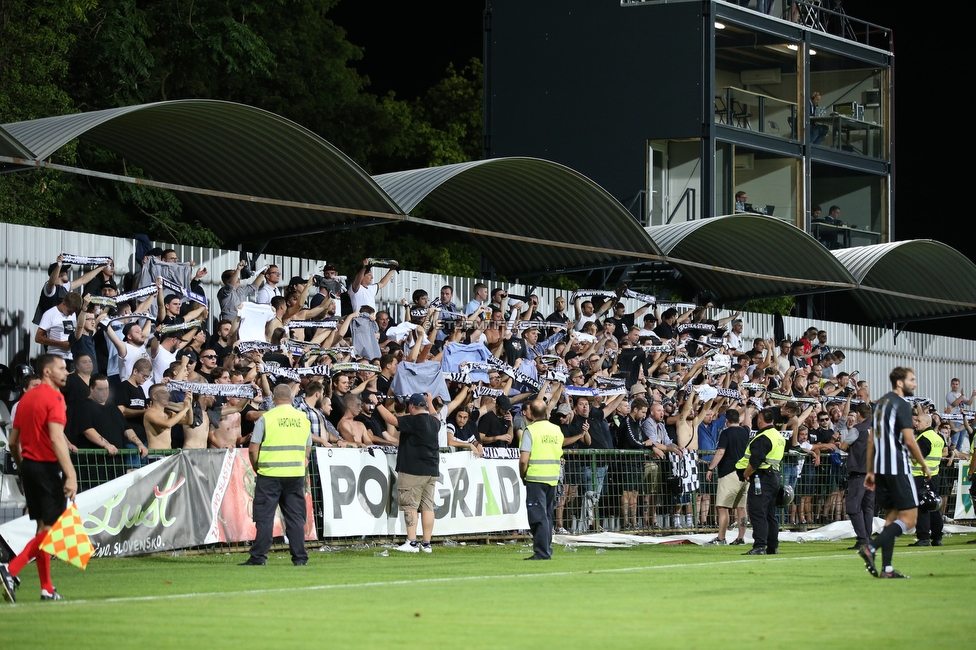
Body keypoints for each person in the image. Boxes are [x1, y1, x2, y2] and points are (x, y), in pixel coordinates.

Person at [1, 354, 78, 603]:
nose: (66, 372)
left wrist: (24, 470)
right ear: (47, 372)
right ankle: (10, 569)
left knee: (41, 528)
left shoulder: (24, 401)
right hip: (47, 468)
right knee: (52, 530)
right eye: (62, 368)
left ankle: (46, 588)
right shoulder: (54, 398)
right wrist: (71, 474)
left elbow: (14, 442)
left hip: (30, 467)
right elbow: (57, 438)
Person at [857, 367, 932, 579]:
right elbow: (909, 440)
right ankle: (870, 547)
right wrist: (924, 465)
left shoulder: (880, 404)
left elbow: (872, 440)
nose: (915, 384)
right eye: (912, 380)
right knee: (909, 519)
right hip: (898, 466)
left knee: (891, 518)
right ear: (900, 382)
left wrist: (870, 471)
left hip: (880, 468)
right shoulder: (902, 405)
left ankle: (887, 569)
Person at [240, 384, 312, 567]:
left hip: (269, 474)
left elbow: (253, 449)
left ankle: (259, 557)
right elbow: (307, 447)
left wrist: (258, 467)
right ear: (291, 397)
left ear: (273, 397)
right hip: (295, 475)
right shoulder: (302, 418)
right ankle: (300, 559)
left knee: (265, 518)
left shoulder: (267, 417)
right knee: (295, 518)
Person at [376, 393, 441, 553]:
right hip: (431, 470)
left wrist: (377, 404)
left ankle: (411, 542)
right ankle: (426, 544)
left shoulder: (413, 420)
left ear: (411, 406)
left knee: (410, 506)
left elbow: (392, 420)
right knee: (427, 507)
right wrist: (430, 401)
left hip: (413, 470)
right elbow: (436, 417)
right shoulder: (434, 422)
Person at [736, 407, 785, 555]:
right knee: (770, 513)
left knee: (758, 512)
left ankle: (759, 546)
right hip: (774, 477)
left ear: (759, 420)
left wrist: (746, 474)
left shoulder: (762, 438)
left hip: (761, 478)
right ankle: (772, 546)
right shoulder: (779, 436)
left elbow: (756, 460)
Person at [519, 399, 564, 560]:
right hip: (552, 477)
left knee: (538, 516)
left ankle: (542, 552)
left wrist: (523, 475)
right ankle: (547, 548)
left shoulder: (530, 431)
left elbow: (524, 459)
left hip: (535, 477)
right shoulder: (556, 430)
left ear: (530, 413)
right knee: (547, 515)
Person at [705, 408, 749, 545]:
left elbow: (720, 452)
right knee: (741, 508)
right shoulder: (745, 431)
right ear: (738, 419)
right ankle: (741, 538)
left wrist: (710, 468)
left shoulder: (726, 433)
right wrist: (747, 409)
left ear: (727, 420)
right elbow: (748, 424)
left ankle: (721, 538)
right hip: (744, 474)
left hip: (729, 473)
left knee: (723, 507)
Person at [907, 410, 945, 547]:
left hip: (921, 477)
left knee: (922, 506)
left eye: (919, 421)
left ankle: (923, 537)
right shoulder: (938, 437)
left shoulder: (924, 438)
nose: (916, 424)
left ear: (928, 423)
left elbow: (918, 457)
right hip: (933, 476)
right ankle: (937, 537)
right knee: (933, 506)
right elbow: (945, 452)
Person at [840, 402, 875, 551]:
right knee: (867, 507)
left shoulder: (857, 429)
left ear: (859, 415)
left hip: (860, 473)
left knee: (853, 506)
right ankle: (867, 537)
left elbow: (843, 446)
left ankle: (862, 539)